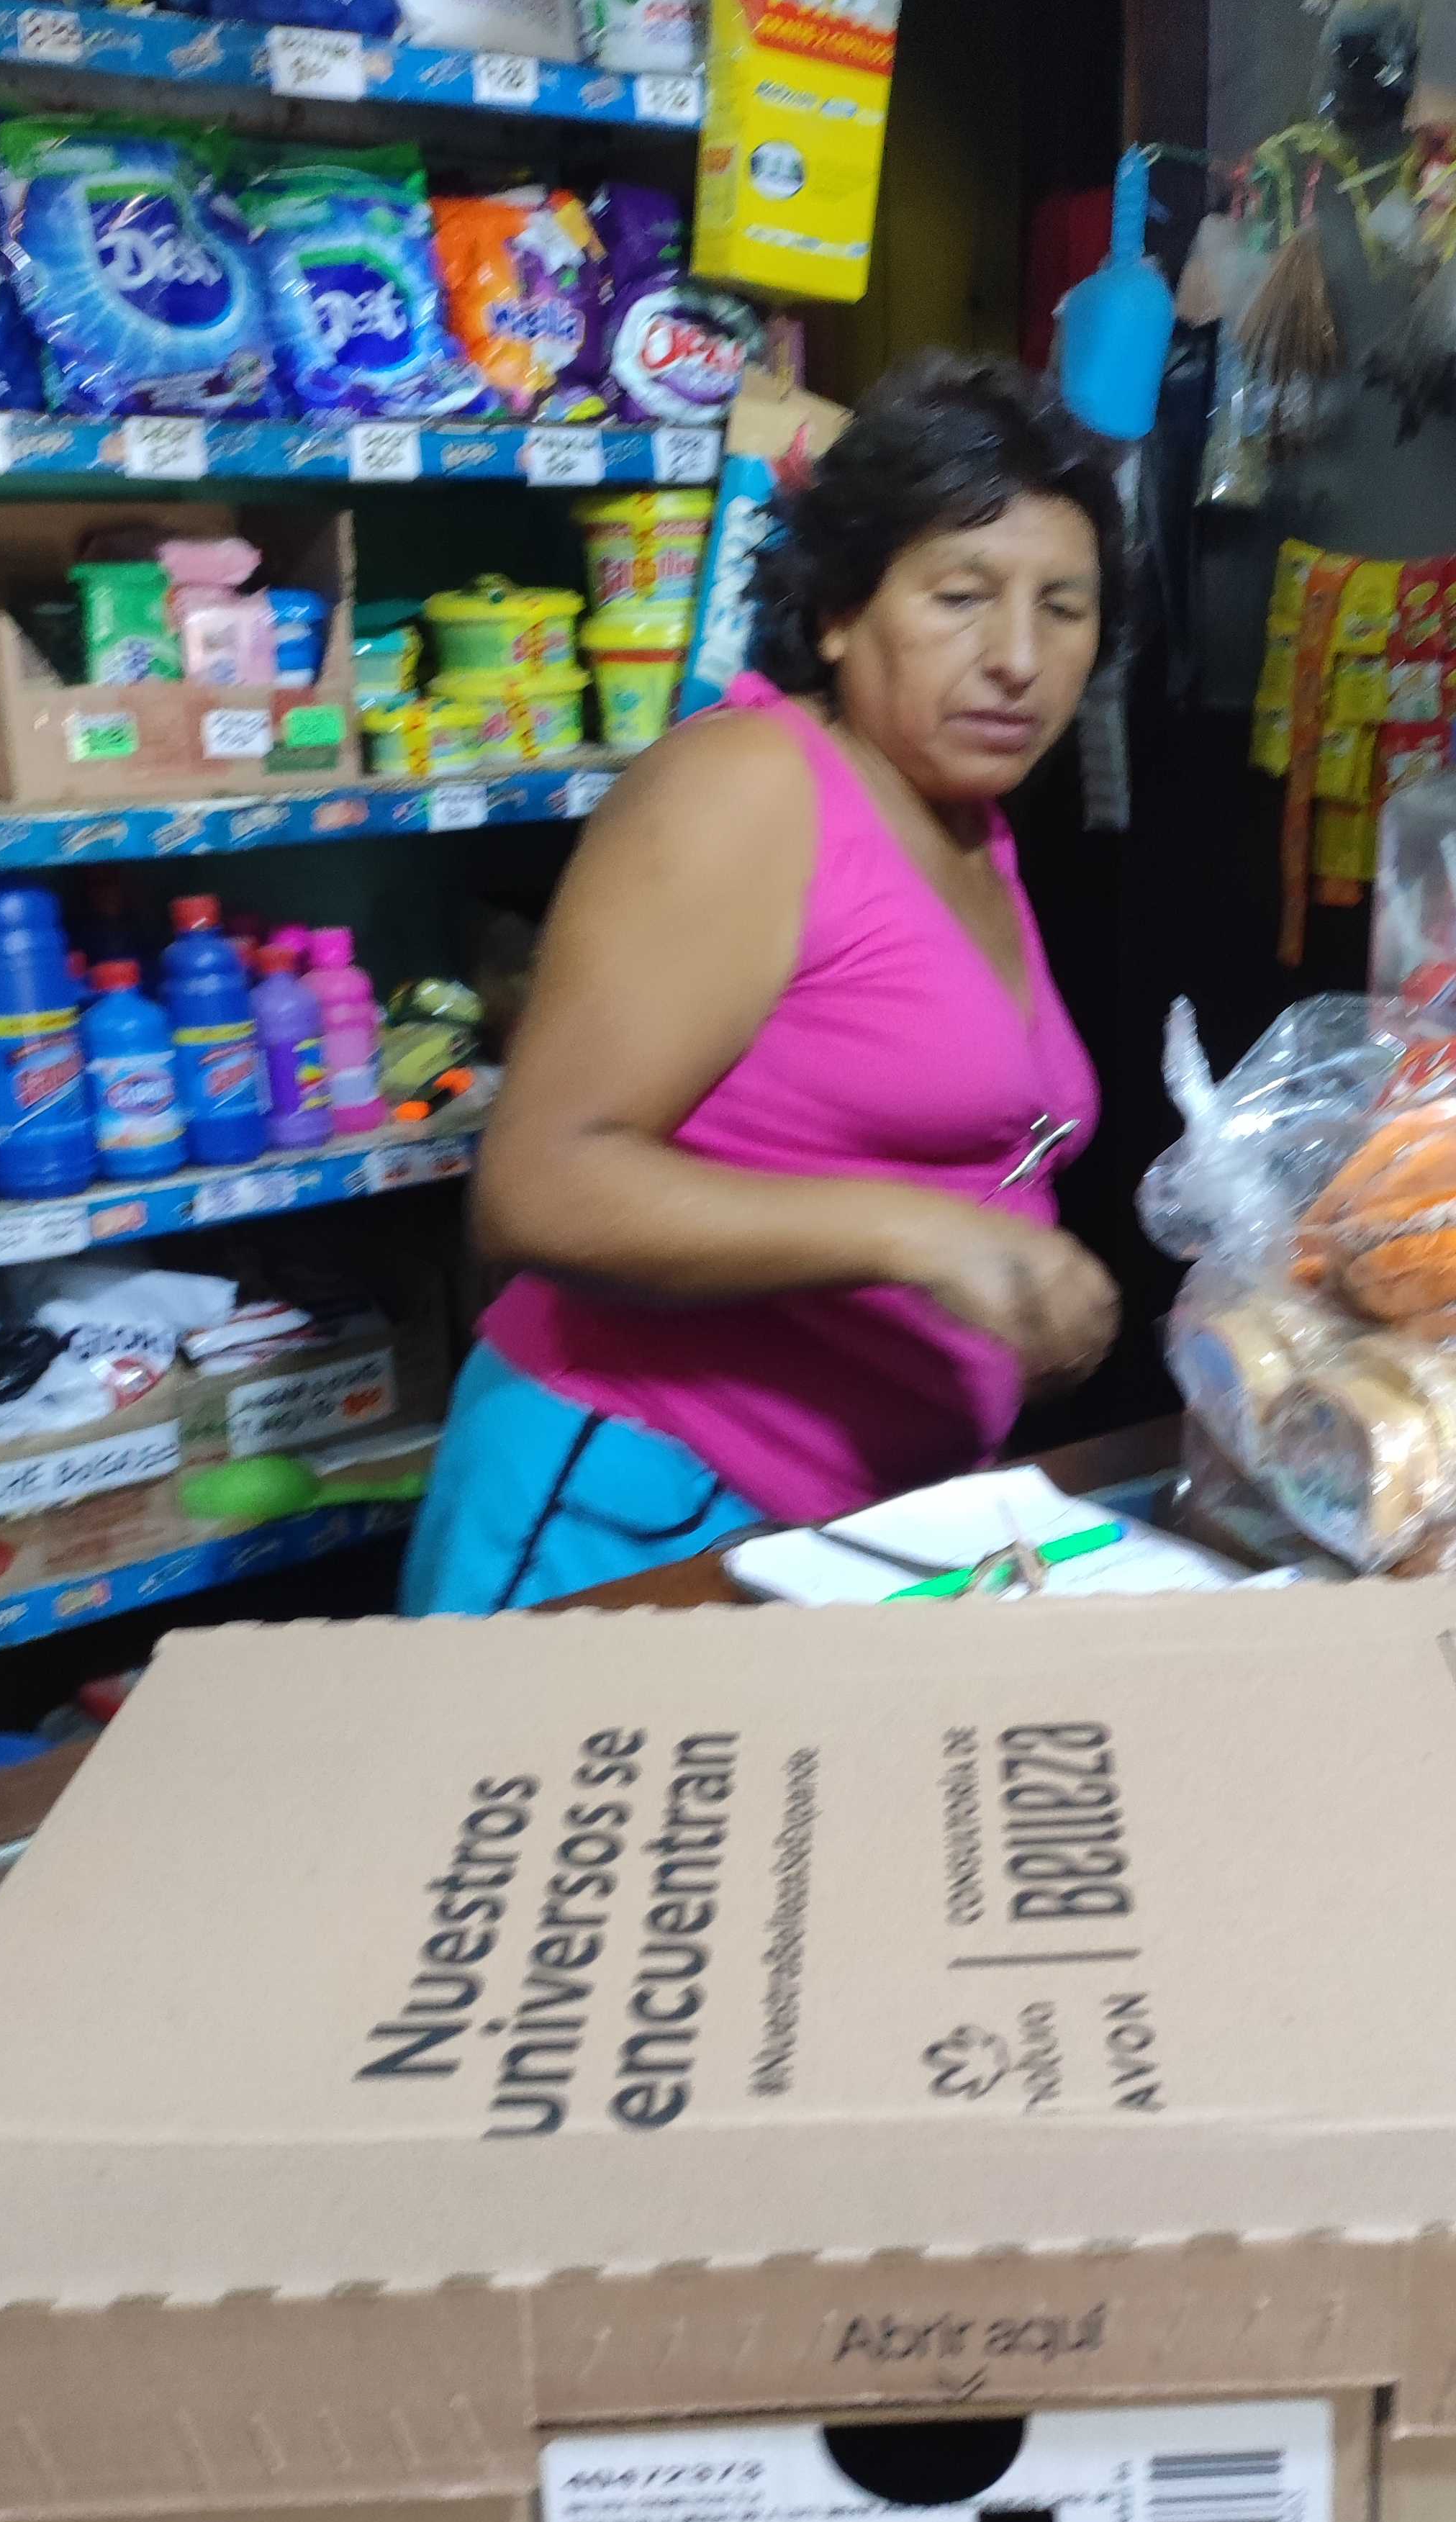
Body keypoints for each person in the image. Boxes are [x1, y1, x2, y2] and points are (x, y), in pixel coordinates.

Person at [402, 351, 1123, 1612]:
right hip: (631, 1505)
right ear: (840, 612)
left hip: (849, 1529)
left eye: (1063, 608)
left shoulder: (969, 822)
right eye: (962, 596)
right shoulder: (749, 787)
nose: (1018, 656)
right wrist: (919, 1238)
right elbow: (536, 1186)